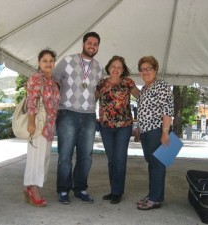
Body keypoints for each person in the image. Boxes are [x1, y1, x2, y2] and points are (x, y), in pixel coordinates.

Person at [53, 32, 104, 204]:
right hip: (67, 112)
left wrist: (91, 101)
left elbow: (98, 91)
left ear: (98, 47)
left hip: (89, 115)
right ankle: (63, 190)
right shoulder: (67, 60)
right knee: (65, 155)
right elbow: (53, 79)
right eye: (89, 42)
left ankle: (80, 189)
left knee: (86, 156)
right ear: (83, 44)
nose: (92, 46)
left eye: (95, 44)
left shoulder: (99, 68)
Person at [95, 55, 140, 204]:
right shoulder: (101, 84)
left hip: (124, 126)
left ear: (123, 70)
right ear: (108, 68)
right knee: (111, 160)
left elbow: (141, 97)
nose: (116, 69)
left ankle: (117, 192)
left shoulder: (128, 82)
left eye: (119, 67)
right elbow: (90, 101)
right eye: (113, 66)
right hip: (105, 126)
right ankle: (113, 189)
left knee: (120, 159)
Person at [135, 56, 174, 210]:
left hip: (157, 130)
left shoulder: (161, 86)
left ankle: (156, 199)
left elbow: (167, 111)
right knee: (151, 163)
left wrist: (165, 132)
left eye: (148, 69)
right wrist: (139, 127)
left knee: (158, 164)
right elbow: (143, 111)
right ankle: (152, 194)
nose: (145, 72)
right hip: (145, 131)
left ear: (155, 69)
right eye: (142, 70)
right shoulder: (145, 88)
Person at [23, 49, 60, 207]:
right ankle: (32, 187)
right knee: (35, 157)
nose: (48, 63)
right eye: (44, 60)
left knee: (44, 157)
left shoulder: (53, 80)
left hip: (49, 125)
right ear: (39, 63)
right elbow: (32, 100)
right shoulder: (36, 78)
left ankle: (30, 187)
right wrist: (31, 122)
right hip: (38, 123)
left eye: (51, 60)